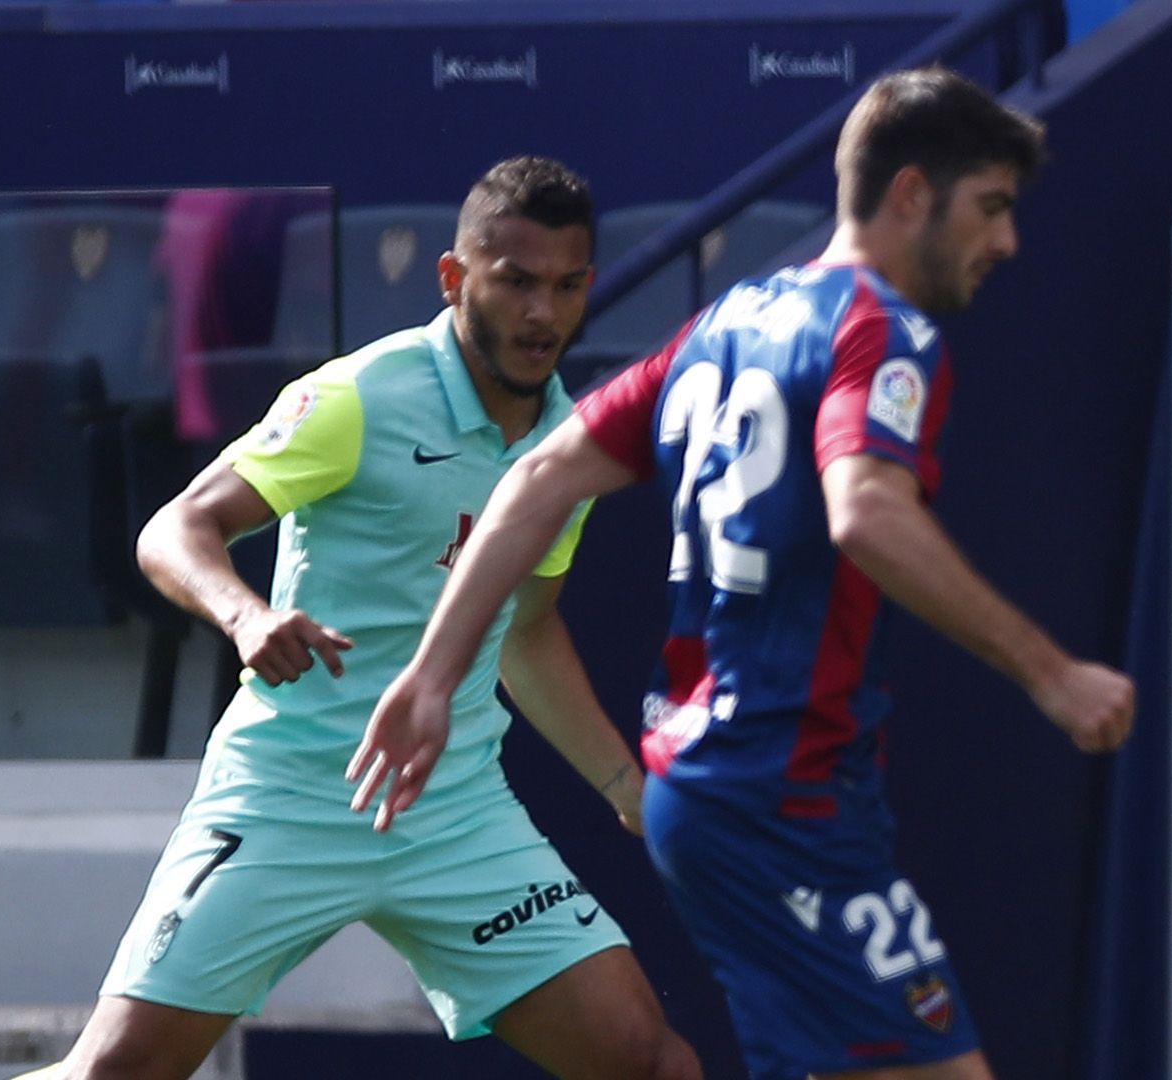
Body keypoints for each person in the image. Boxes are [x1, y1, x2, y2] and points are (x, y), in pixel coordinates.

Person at [348, 68, 1136, 1080]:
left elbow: (538, 475)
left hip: (703, 786)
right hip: (780, 795)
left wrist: (430, 675)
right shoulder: (881, 328)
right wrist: (1050, 672)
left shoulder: (728, 323)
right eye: (989, 207)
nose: (1007, 241)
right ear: (908, 194)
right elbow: (867, 512)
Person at [52, 156, 700, 1080]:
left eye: (565, 286)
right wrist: (244, 617)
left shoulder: (570, 447)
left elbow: (524, 628)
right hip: (287, 796)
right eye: (515, 282)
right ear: (453, 278)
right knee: (117, 1072)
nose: (542, 315)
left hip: (459, 815)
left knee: (652, 1064)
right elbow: (175, 528)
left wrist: (618, 785)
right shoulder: (357, 397)